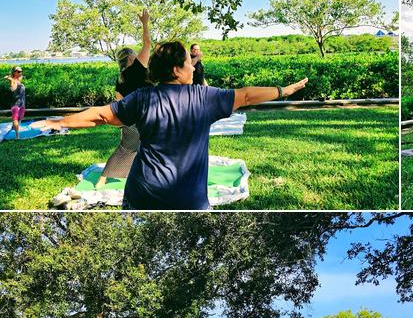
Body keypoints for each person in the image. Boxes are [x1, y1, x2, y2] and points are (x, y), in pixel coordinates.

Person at [32, 41, 308, 210]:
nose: (193, 67)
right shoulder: (205, 97)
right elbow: (246, 95)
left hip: (142, 195)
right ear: (176, 70)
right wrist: (283, 90)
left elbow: (100, 116)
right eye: (188, 63)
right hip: (188, 201)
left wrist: (58, 122)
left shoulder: (142, 98)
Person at [97, 10, 152, 188]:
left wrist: (122, 123)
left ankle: (103, 179)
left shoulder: (120, 78)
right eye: (135, 53)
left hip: (130, 119)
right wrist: (145, 23)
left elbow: (118, 101)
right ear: (130, 57)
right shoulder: (137, 68)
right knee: (147, 146)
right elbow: (147, 43)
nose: (138, 55)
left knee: (127, 148)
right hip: (146, 116)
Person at [4, 66, 26, 139]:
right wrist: (11, 80)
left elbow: (20, 78)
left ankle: (14, 128)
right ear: (15, 72)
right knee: (15, 119)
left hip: (22, 104)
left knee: (20, 118)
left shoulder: (19, 79)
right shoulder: (13, 80)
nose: (21, 73)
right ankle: (17, 136)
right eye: (19, 71)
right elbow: (12, 89)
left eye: (21, 71)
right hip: (16, 104)